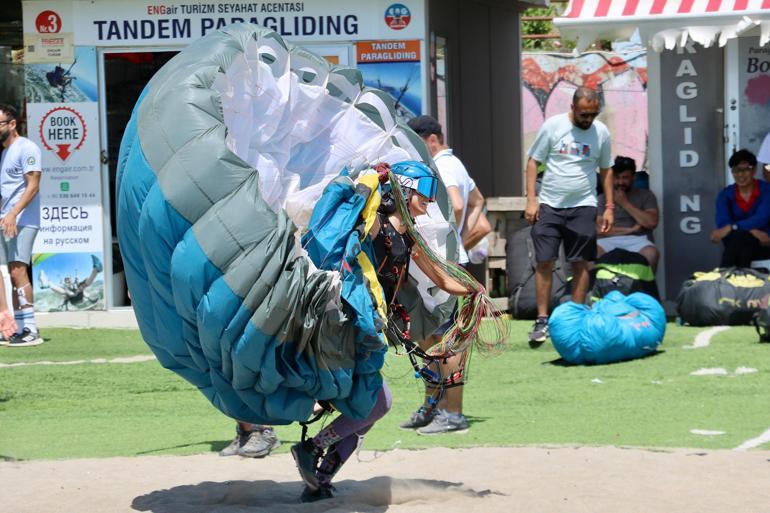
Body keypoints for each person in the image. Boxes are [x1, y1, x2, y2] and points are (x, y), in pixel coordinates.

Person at [291, 161, 478, 502]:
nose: (430, 202)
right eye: (426, 193)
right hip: (348, 327)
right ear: (406, 191)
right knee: (379, 403)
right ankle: (311, 448)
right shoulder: (376, 226)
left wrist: (474, 292)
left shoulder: (410, 238)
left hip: (369, 330)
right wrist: (374, 179)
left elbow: (441, 278)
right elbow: (356, 212)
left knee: (369, 407)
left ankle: (319, 477)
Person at [401, 115, 491, 435]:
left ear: (432, 140)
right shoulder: (450, 164)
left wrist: (444, 243)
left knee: (446, 343)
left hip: (441, 266)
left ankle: (453, 413)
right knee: (428, 341)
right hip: (438, 265)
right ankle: (433, 406)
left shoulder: (444, 164)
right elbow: (478, 203)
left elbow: (454, 202)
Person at [524, 87, 614, 347]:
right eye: (584, 114)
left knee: (580, 263)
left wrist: (608, 206)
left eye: (593, 114)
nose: (588, 119)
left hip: (583, 205)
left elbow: (606, 170)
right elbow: (533, 162)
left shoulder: (601, 133)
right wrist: (531, 199)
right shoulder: (553, 126)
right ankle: (542, 320)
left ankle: (575, 317)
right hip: (550, 205)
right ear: (573, 107)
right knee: (544, 260)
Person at [0, 104, 43, 347]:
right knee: (10, 271)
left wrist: (14, 213)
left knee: (18, 270)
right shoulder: (5, 153)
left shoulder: (26, 148)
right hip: (8, 219)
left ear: (12, 123)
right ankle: (16, 326)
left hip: (23, 220)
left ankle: (31, 329)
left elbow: (33, 186)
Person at [597, 156, 659, 270]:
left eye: (625, 178)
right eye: (617, 178)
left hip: (638, 240)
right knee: (591, 255)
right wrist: (630, 230)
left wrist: (625, 203)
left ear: (633, 177)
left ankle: (645, 287)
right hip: (607, 241)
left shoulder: (646, 195)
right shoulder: (602, 198)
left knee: (651, 253)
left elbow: (651, 223)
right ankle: (596, 288)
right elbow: (599, 229)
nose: (620, 182)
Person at [711, 149, 770, 268]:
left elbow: (761, 219)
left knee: (740, 239)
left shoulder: (767, 190)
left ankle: (724, 277)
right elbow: (723, 223)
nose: (740, 175)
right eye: (736, 170)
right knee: (743, 242)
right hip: (740, 245)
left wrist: (733, 226)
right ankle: (740, 281)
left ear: (754, 170)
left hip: (764, 243)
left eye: (745, 169)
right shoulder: (725, 195)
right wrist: (751, 231)